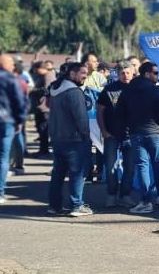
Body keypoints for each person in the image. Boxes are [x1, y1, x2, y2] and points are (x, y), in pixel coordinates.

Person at [118, 62, 159, 214]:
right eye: (155, 73)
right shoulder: (155, 90)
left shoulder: (128, 90)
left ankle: (146, 201)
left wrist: (128, 127)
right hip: (154, 132)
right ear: (147, 74)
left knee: (142, 166)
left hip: (136, 133)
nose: (158, 75)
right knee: (157, 164)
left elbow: (120, 112)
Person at [46, 62, 93, 216]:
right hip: (75, 139)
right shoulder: (74, 92)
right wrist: (86, 136)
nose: (85, 76)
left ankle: (54, 206)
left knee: (58, 174)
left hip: (58, 138)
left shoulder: (54, 90)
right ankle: (76, 205)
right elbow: (81, 118)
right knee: (77, 173)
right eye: (82, 73)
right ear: (72, 74)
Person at [97, 62, 135, 208]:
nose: (126, 75)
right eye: (122, 73)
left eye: (128, 72)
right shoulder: (109, 89)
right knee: (110, 167)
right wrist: (104, 131)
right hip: (111, 134)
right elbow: (99, 111)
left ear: (133, 73)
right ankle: (111, 195)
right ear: (118, 74)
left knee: (130, 167)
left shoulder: (137, 89)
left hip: (131, 135)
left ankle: (125, 195)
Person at [0, 55, 26, 205]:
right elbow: (19, 101)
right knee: (3, 157)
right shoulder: (11, 80)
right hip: (7, 121)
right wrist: (20, 120)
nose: (13, 67)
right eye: (11, 64)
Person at [29, 61, 54, 156]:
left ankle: (44, 151)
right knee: (40, 130)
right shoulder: (41, 76)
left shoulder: (48, 76)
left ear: (40, 68)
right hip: (40, 107)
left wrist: (32, 91)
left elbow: (46, 90)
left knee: (44, 130)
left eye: (36, 69)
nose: (35, 71)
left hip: (45, 108)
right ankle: (42, 150)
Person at [9, 60, 30, 175]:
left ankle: (13, 165)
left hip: (12, 115)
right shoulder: (22, 82)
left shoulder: (14, 82)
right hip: (18, 115)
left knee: (14, 140)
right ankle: (18, 165)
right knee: (18, 139)